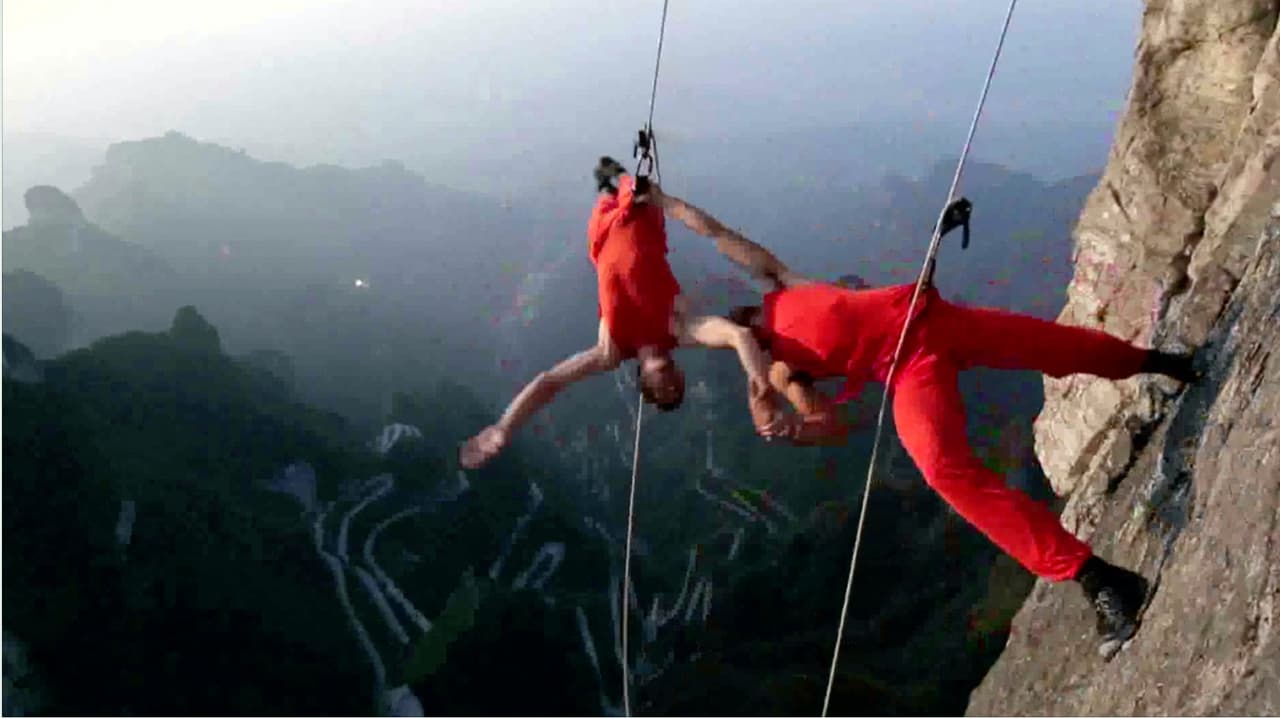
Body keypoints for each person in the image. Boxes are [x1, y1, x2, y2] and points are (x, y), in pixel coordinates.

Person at [709, 225, 1197, 648]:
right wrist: (793, 413)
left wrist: (663, 202)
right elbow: (833, 425)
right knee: (942, 468)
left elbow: (719, 235)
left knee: (1049, 345)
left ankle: (1162, 363)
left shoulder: (785, 287)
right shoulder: (780, 369)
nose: (751, 331)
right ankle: (1097, 578)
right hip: (909, 367)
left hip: (926, 319)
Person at [459, 158, 784, 470]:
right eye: (677, 387)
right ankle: (616, 169)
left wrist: (504, 427)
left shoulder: (610, 351)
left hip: (603, 232)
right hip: (644, 214)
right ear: (679, 372)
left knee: (607, 188)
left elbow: (550, 382)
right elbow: (738, 336)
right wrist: (761, 386)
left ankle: (606, 174)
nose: (670, 386)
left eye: (663, 393)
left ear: (642, 382)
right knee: (629, 177)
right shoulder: (679, 330)